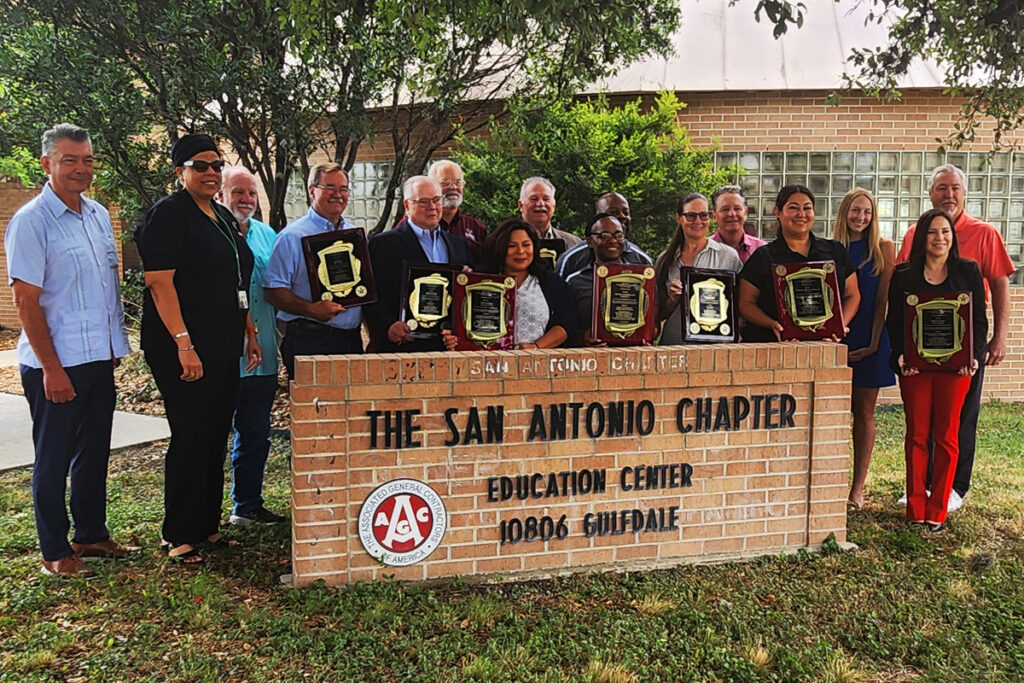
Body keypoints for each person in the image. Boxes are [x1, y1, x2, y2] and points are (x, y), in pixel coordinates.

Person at [5, 123, 134, 578]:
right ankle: (55, 551)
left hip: (98, 359)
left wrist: (114, 346)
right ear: (47, 164)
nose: (81, 169)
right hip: (55, 366)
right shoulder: (31, 222)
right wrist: (51, 369)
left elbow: (104, 289)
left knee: (95, 450)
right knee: (54, 456)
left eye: (87, 160)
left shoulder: (98, 215)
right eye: (69, 160)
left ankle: (91, 534)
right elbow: (26, 300)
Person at [136, 134, 261, 566]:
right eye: (200, 165)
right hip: (183, 346)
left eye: (216, 164)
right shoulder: (169, 216)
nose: (211, 172)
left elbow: (235, 278)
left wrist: (247, 327)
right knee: (191, 435)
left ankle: (207, 525)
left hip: (223, 342)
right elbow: (159, 282)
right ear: (179, 171)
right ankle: (180, 534)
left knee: (214, 433)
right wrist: (183, 345)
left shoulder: (221, 216)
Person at [896, 164, 1015, 511]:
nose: (948, 194)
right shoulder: (915, 234)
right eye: (941, 188)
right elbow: (904, 289)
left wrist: (1000, 336)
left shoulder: (984, 233)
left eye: (955, 189)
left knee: (961, 415)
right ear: (930, 194)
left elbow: (1000, 284)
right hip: (922, 344)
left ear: (964, 194)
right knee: (921, 418)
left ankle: (954, 488)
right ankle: (923, 485)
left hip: (966, 343)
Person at [886, 208, 986, 532]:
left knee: (946, 436)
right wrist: (900, 357)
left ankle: (937, 509)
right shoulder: (903, 274)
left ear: (952, 237)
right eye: (932, 232)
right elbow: (895, 322)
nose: (940, 238)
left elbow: (978, 322)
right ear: (922, 237)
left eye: (945, 232)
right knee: (917, 435)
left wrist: (974, 356)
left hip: (955, 370)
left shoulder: (968, 271)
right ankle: (916, 507)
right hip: (916, 370)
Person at [219, 166, 286, 526]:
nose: (245, 199)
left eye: (251, 193)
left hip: (264, 353)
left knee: (256, 431)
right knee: (215, 433)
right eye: (238, 192)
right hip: (225, 352)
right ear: (222, 196)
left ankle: (247, 505)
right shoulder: (214, 232)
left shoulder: (266, 234)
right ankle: (204, 512)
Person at [264, 163, 364, 379]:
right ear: (312, 190)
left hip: (350, 339)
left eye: (344, 189)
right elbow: (272, 291)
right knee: (314, 409)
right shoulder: (292, 236)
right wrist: (311, 309)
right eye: (330, 187)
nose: (338, 195)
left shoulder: (354, 235)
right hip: (310, 339)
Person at [832, 188, 897, 508]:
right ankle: (828, 481)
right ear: (845, 213)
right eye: (855, 211)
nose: (861, 217)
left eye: (867, 212)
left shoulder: (883, 248)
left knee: (864, 412)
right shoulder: (831, 249)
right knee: (831, 413)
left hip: (871, 337)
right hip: (835, 337)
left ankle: (857, 489)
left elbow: (883, 301)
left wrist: (874, 344)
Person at [738, 185, 860, 342]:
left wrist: (839, 326)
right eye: (793, 208)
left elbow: (852, 295)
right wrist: (772, 324)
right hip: (776, 350)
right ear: (777, 212)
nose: (801, 214)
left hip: (825, 347)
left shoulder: (835, 251)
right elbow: (745, 303)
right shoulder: (763, 256)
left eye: (807, 208)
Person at [366, 175, 473, 352]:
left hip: (446, 349)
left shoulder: (459, 245)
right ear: (407, 205)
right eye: (423, 201)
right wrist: (388, 326)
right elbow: (372, 296)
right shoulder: (383, 244)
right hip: (401, 349)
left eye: (436, 200)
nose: (432, 207)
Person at [444, 218, 575, 350]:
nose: (520, 251)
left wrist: (536, 347)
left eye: (526, 244)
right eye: (512, 246)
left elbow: (567, 323)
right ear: (500, 248)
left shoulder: (551, 283)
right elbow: (462, 324)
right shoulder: (479, 283)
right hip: (487, 364)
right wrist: (454, 339)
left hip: (535, 364)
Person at [655, 192, 742, 345]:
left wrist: (733, 333)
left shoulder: (728, 256)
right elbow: (657, 314)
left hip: (714, 347)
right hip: (674, 346)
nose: (698, 221)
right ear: (679, 218)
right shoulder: (665, 260)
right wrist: (671, 300)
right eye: (691, 216)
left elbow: (741, 304)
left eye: (703, 215)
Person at [566, 213, 648, 346]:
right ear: (590, 241)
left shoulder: (643, 278)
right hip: (590, 360)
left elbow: (655, 319)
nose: (613, 240)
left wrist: (647, 335)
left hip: (633, 359)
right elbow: (564, 327)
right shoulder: (575, 282)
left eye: (619, 235)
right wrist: (583, 338)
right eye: (604, 235)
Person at [556, 192, 653, 279]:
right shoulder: (572, 258)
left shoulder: (641, 259)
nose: (622, 216)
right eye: (612, 212)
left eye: (626, 212)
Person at [518, 177, 581, 249]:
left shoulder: (574, 244)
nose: (540, 204)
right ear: (521, 205)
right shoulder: (506, 242)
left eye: (546, 199)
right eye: (534, 199)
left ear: (554, 205)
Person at [709, 185, 766, 264]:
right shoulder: (704, 250)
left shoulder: (761, 249)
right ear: (714, 215)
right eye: (725, 209)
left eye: (737, 208)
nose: (732, 214)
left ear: (745, 212)